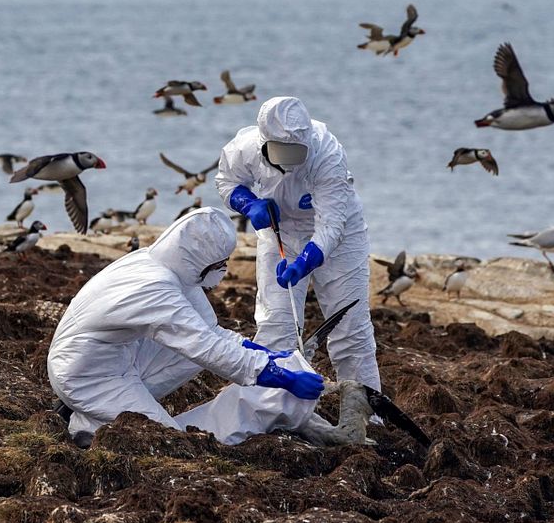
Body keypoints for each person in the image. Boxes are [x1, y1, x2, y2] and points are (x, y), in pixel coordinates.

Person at [46, 207, 324, 442]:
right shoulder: (155, 288)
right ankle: (89, 422)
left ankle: (88, 420)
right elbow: (204, 346)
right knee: (166, 439)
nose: (223, 270)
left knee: (192, 354)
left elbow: (210, 331)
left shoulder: (170, 266)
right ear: (200, 257)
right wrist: (282, 377)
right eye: (220, 263)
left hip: (115, 355)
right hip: (86, 375)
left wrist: (266, 355)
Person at [216, 96, 381, 391]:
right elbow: (227, 180)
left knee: (350, 328)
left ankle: (365, 411)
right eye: (282, 151)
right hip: (279, 232)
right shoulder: (245, 148)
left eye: (296, 152)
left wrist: (305, 261)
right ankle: (267, 408)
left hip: (341, 236)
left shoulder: (327, 153)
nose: (291, 160)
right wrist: (248, 204)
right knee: (276, 325)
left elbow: (331, 224)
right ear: (265, 142)